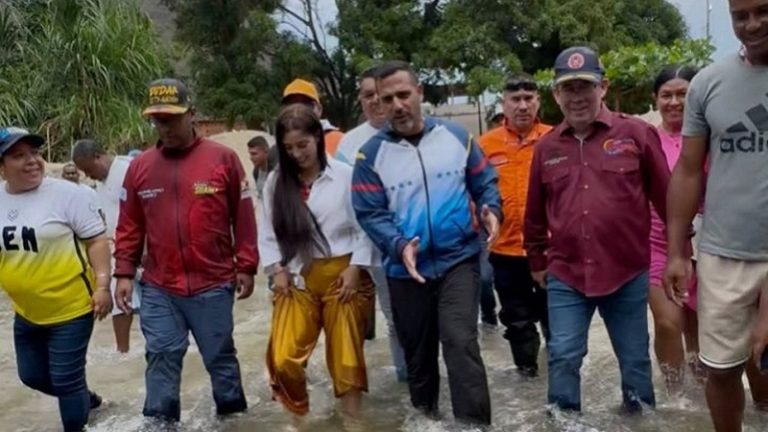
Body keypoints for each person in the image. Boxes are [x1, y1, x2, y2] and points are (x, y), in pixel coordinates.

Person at [352, 60, 501, 425]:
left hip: (458, 260)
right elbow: (370, 213)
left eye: (404, 95)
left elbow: (484, 182)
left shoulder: (456, 136)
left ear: (419, 93)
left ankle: (475, 424)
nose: (397, 105)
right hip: (405, 271)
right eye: (388, 99)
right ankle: (426, 420)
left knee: (460, 342)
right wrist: (399, 244)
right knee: (418, 358)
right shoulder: (369, 156)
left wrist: (490, 209)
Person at [524, 46, 670, 413]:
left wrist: (680, 253)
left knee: (635, 359)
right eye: (567, 89)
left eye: (584, 86)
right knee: (563, 355)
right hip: (567, 273)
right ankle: (563, 421)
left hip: (627, 271)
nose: (577, 97)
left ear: (603, 87)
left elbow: (667, 199)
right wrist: (537, 259)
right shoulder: (545, 148)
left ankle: (640, 420)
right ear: (556, 95)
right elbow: (535, 212)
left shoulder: (636, 133)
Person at [113, 78, 259, 422]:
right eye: (158, 120)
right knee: (162, 354)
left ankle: (234, 419)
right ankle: (161, 423)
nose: (165, 126)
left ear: (191, 114)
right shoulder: (141, 167)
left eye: (172, 118)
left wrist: (247, 265)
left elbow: (244, 216)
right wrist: (122, 272)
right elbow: (129, 225)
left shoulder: (223, 159)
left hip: (213, 281)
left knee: (220, 357)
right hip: (160, 285)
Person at [665, 1, 768, 429]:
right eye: (740, 15)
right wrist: (676, 250)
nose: (752, 24)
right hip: (723, 253)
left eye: (763, 10)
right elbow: (688, 170)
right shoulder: (708, 82)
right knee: (721, 369)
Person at [259, 104, 376, 420]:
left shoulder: (347, 176)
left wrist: (356, 268)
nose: (297, 153)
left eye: (303, 145)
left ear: (318, 139)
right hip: (297, 278)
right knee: (283, 359)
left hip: (344, 277)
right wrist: (276, 269)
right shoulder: (275, 183)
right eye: (289, 148)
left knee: (347, 359)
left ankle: (353, 422)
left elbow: (366, 226)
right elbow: (267, 231)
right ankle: (299, 420)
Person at [0, 127, 112, 432]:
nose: (32, 161)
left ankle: (76, 417)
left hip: (72, 309)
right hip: (27, 313)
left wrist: (103, 286)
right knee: (31, 376)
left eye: (34, 153)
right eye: (19, 156)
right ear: (1, 167)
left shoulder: (67, 194)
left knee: (65, 379)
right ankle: (84, 399)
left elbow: (98, 241)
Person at [335, 65, 407, 382]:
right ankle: (409, 382)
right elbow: (341, 201)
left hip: (421, 240)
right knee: (394, 319)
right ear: (360, 100)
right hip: (374, 248)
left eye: (381, 95)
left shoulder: (412, 133)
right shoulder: (349, 144)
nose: (376, 101)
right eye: (368, 96)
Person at [478, 73, 552, 377]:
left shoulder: (556, 138)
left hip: (552, 249)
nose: (522, 106)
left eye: (528, 98)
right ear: (504, 104)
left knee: (558, 321)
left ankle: (561, 381)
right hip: (505, 251)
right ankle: (528, 379)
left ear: (538, 102)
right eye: (515, 99)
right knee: (518, 322)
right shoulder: (484, 145)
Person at [645, 66, 701, 393]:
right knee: (668, 322)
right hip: (656, 244)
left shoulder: (714, 137)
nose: (675, 101)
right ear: (655, 99)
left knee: (699, 329)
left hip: (708, 245)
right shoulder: (645, 138)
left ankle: (704, 390)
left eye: (684, 94)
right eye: (667, 95)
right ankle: (675, 396)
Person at [72, 139, 141, 353]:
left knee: (154, 303)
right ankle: (123, 352)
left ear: (98, 157)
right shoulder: (101, 180)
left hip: (142, 248)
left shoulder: (128, 170)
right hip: (118, 249)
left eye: (88, 169)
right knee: (120, 298)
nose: (88, 175)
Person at [282, 78, 344, 156]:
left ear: (319, 109)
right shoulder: (281, 146)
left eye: (305, 104)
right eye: (291, 105)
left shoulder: (339, 139)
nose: (298, 111)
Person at [246, 135, 273, 202]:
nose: (251, 158)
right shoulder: (256, 172)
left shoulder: (275, 171)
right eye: (250, 154)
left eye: (254, 154)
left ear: (266, 151)